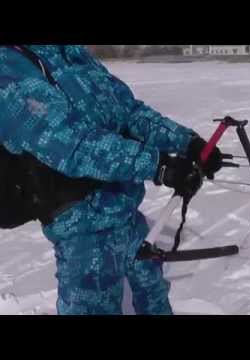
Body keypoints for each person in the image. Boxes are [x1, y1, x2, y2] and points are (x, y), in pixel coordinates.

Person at [0, 45, 223, 315]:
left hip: (126, 212)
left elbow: (128, 111)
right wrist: (160, 166)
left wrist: (188, 142)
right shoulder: (7, 66)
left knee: (155, 300)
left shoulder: (69, 52)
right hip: (84, 230)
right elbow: (71, 144)